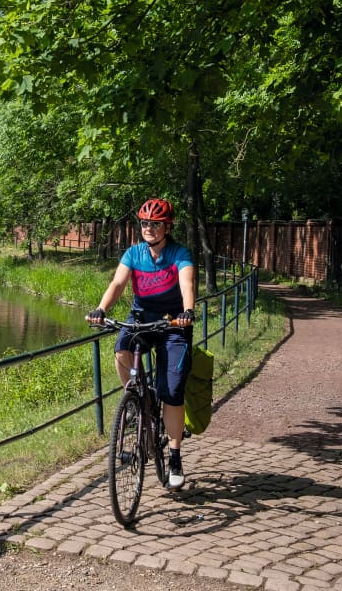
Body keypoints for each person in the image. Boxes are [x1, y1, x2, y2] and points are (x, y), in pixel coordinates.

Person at [85, 198, 196, 489]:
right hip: (142, 317)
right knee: (121, 350)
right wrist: (101, 309)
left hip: (173, 323)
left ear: (167, 227)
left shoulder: (178, 254)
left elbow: (187, 284)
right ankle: (138, 398)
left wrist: (188, 312)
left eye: (155, 224)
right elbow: (118, 284)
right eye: (145, 223)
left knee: (171, 390)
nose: (148, 228)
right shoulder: (134, 253)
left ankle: (174, 456)